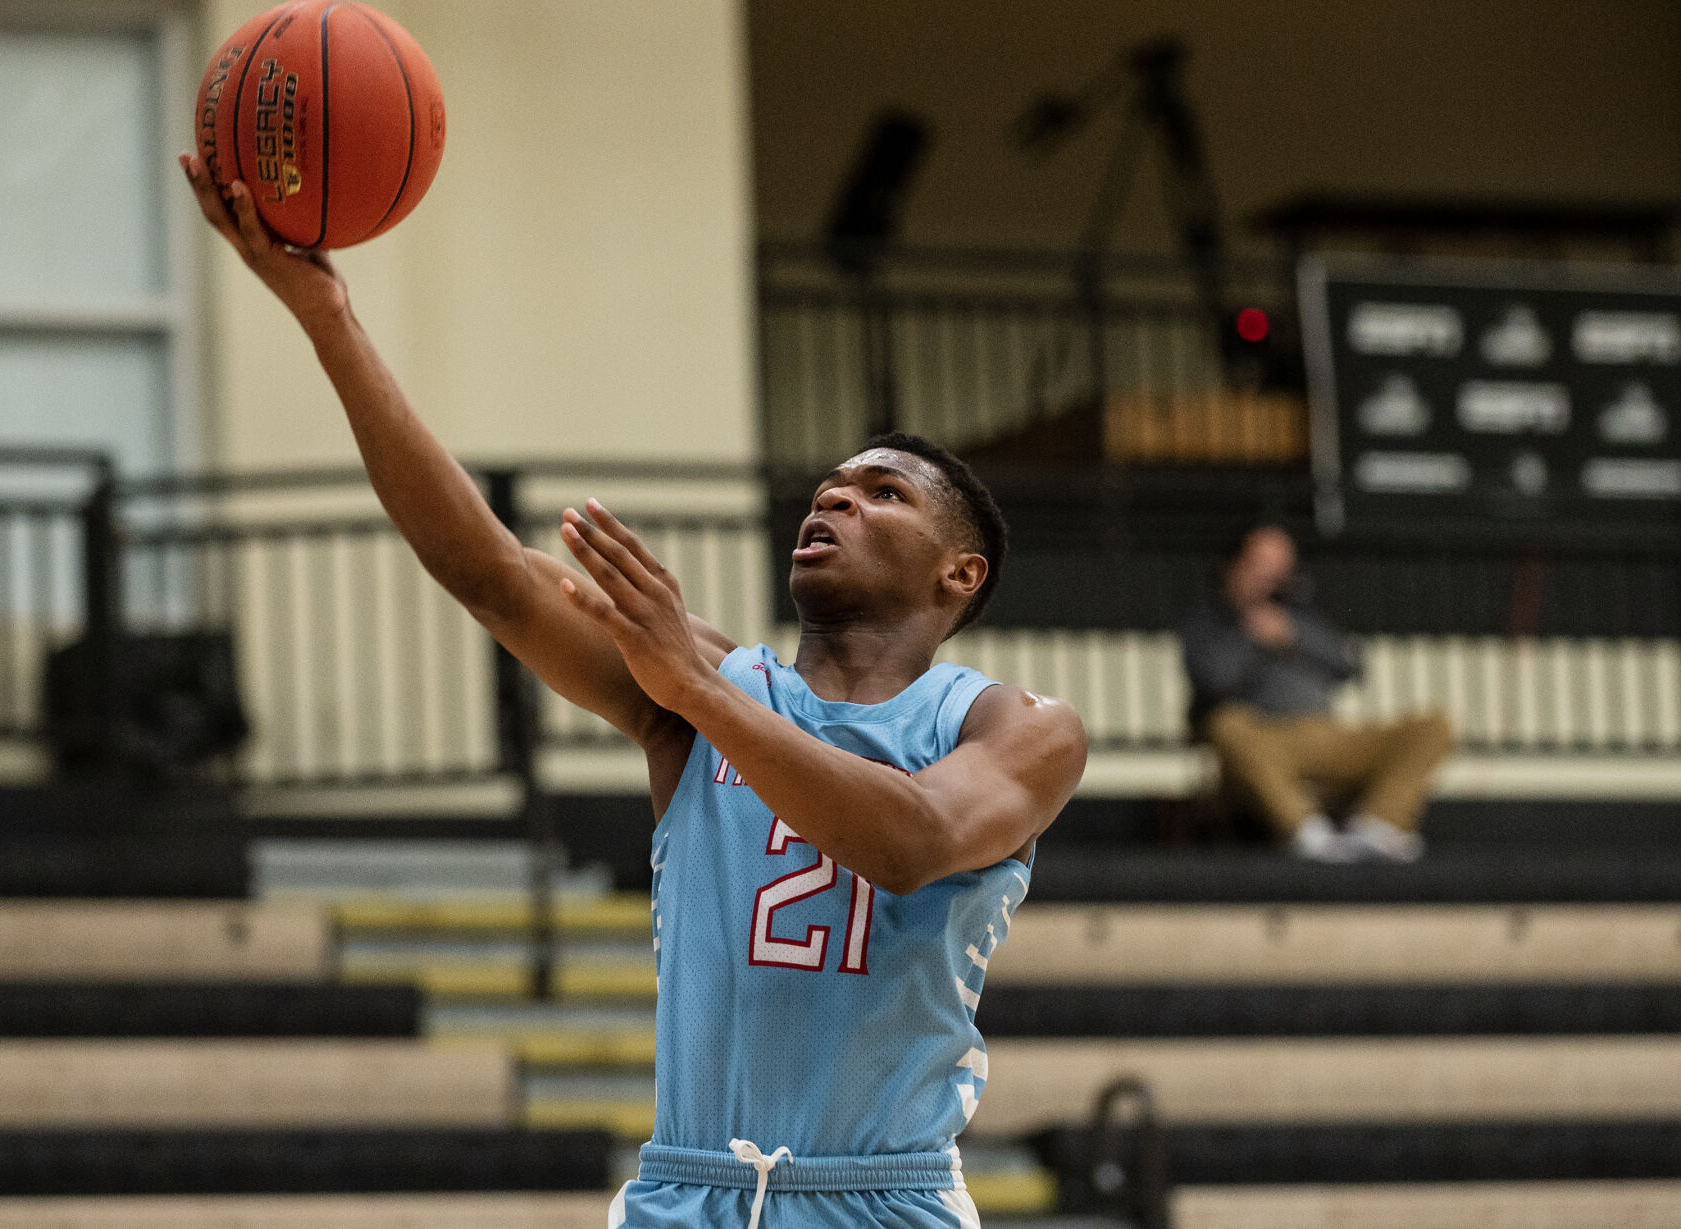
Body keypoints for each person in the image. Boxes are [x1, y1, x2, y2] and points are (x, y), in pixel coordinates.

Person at [181, 158, 1087, 1229]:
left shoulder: (1013, 727)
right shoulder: (696, 684)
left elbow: (909, 840)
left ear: (958, 572)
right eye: (827, 487)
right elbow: (488, 572)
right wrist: (328, 317)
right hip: (682, 1193)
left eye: (881, 492)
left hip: (882, 1200)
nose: (836, 496)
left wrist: (699, 694)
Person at [1179, 524, 1453, 862]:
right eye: (1260, 567)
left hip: (1331, 737)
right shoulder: (1208, 626)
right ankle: (1305, 831)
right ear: (1233, 568)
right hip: (1266, 741)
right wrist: (1251, 636)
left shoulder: (1303, 621)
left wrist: (1292, 634)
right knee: (1226, 725)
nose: (1271, 579)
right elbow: (1213, 679)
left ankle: (1380, 825)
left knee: (1432, 725)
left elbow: (1351, 664)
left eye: (1280, 570)